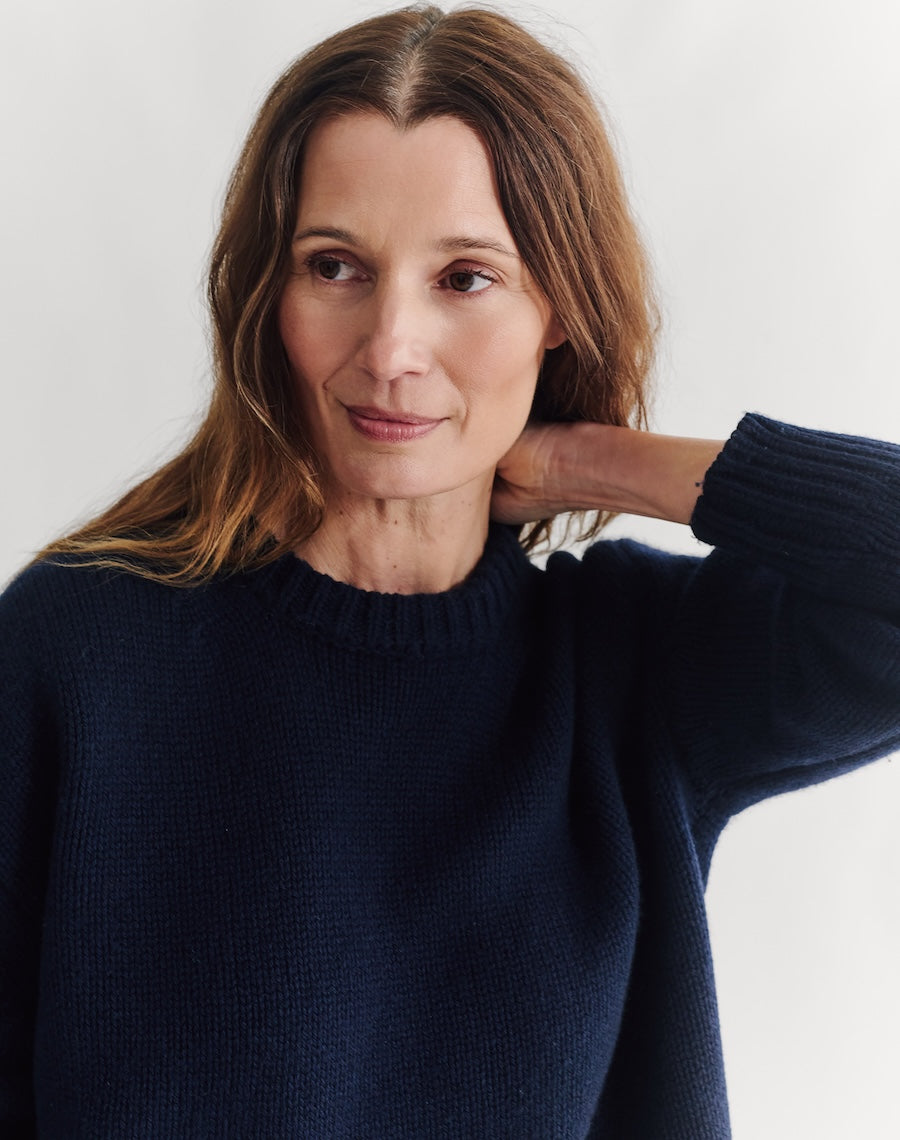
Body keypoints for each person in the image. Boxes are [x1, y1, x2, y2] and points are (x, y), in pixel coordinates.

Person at [1, 4, 898, 1136]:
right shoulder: (77, 648)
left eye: (466, 278)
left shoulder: (639, 673)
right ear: (265, 299)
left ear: (558, 307)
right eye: (337, 267)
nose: (390, 350)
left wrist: (598, 459)